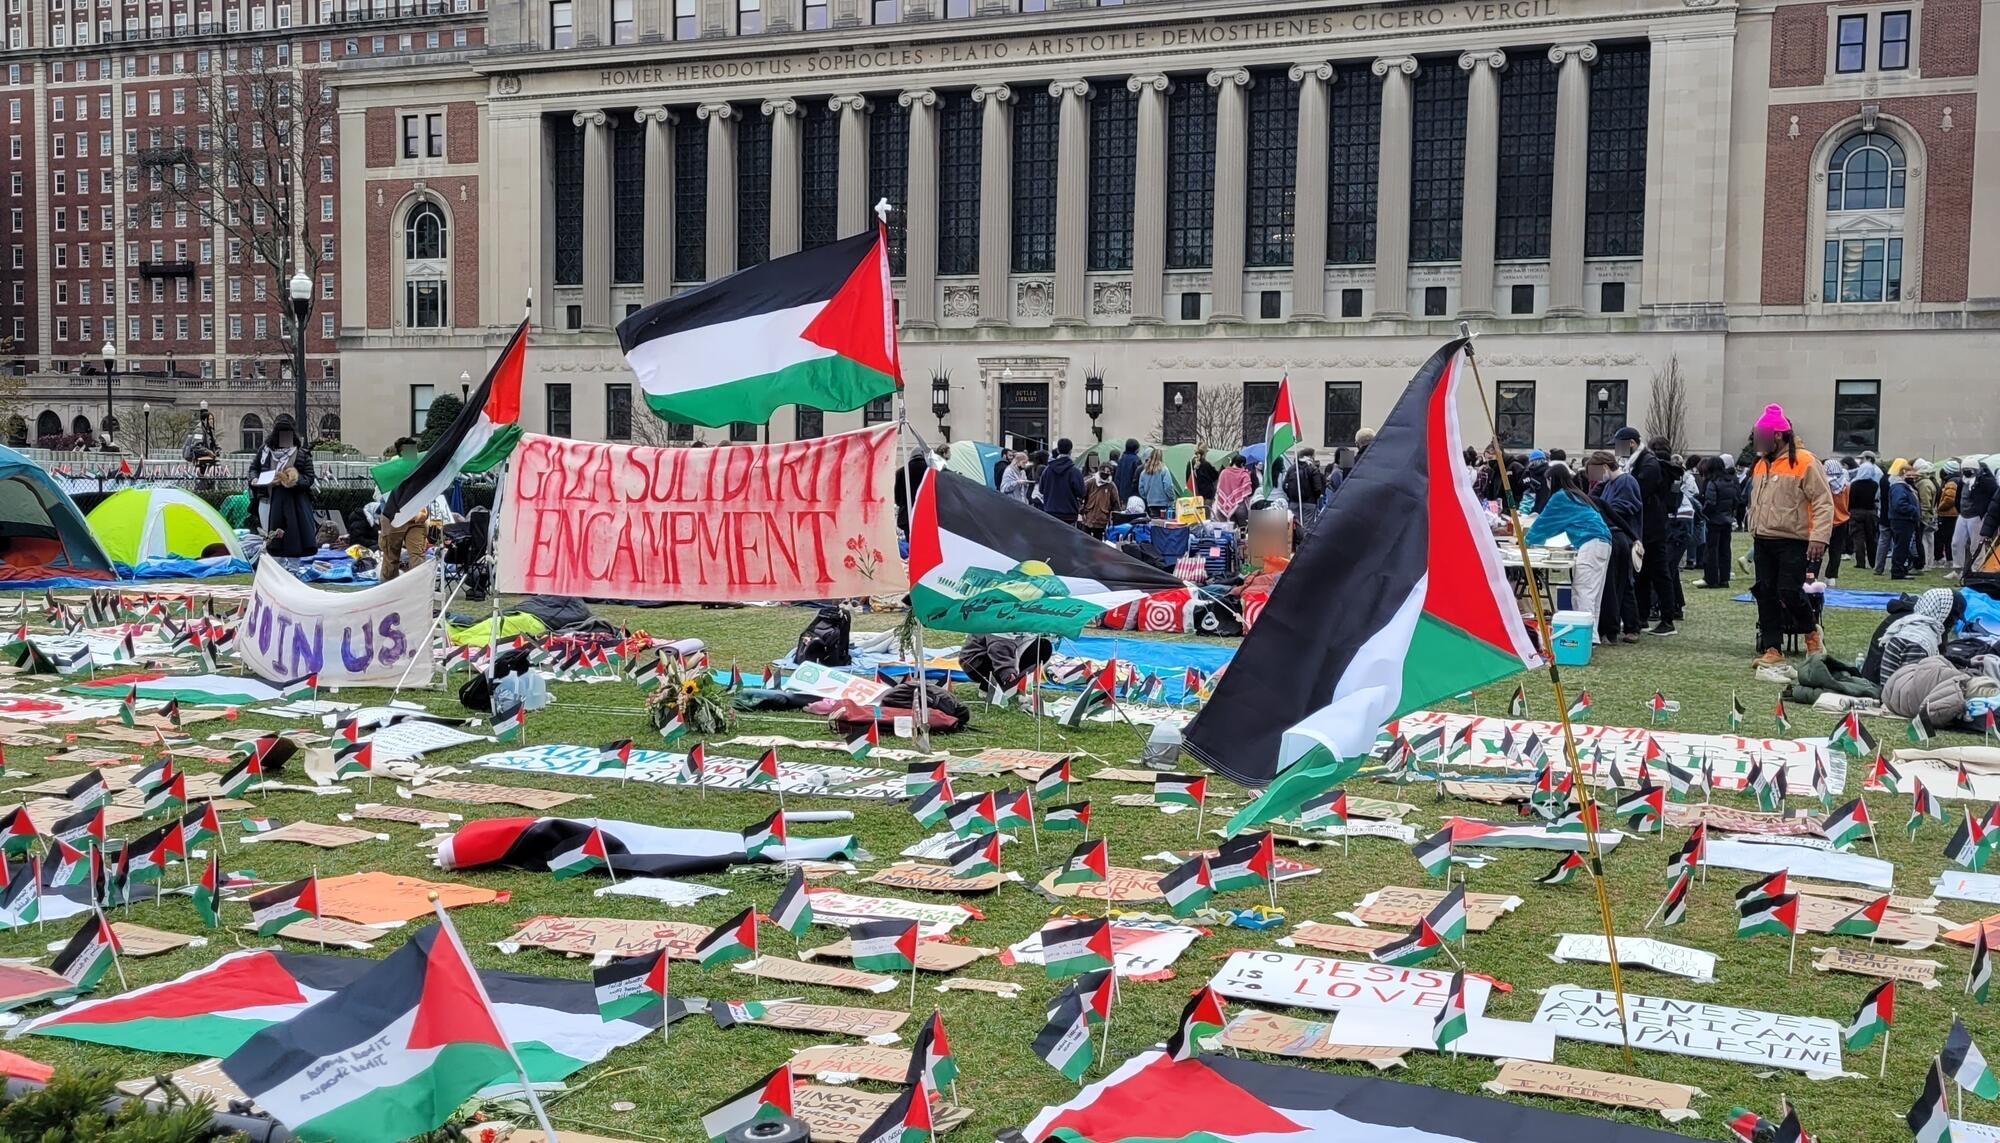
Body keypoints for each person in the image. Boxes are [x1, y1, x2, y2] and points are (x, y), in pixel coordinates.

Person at [1745, 403, 1834, 666]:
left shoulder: (1806, 462)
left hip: (1793, 539)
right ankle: (1773, 648)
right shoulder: (1761, 464)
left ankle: (1811, 634)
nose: (1757, 441)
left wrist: (1819, 537)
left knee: (1789, 591)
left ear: (1778, 436)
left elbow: (1822, 501)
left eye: (1761, 435)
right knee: (1765, 591)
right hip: (1763, 538)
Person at [1526, 462, 1611, 641]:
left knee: (1583, 591)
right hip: (1602, 542)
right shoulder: (1576, 495)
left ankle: (1587, 637)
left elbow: (1544, 524)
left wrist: (1525, 541)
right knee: (1594, 593)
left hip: (1591, 542)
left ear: (1552, 480)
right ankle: (1591, 635)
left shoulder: (1560, 497)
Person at [1614, 427, 1678, 635]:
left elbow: (1638, 491)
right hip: (1643, 525)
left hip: (1652, 526)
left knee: (1659, 572)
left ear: (1631, 443)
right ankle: (1640, 617)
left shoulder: (1648, 464)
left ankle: (1667, 618)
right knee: (1640, 572)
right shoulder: (1637, 462)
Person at [1584, 450, 1643, 643]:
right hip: (1617, 535)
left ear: (1604, 468)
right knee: (1621, 584)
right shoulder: (1610, 483)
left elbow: (1625, 507)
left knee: (1623, 583)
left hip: (1622, 537)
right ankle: (1625, 626)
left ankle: (1630, 626)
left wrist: (1602, 509)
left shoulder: (1626, 482)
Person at [247, 415, 317, 559]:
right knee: (271, 536)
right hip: (267, 499)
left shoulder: (301, 454)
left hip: (293, 503)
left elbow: (309, 478)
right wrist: (255, 479)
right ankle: (276, 565)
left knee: (293, 535)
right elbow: (253, 468)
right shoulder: (264, 452)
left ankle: (291, 567)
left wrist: (294, 480)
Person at [376, 436, 431, 582]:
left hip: (417, 518)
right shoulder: (391, 471)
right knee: (391, 557)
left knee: (417, 554)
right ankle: (388, 589)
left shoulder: (421, 468)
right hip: (394, 519)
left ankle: (419, 586)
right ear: (401, 453)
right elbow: (382, 494)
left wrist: (421, 513)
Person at [1697, 455, 1740, 588]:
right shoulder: (1730, 481)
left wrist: (1703, 512)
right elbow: (1735, 501)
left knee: (1711, 550)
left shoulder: (1712, 483)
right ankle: (1724, 578)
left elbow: (1710, 502)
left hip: (1715, 520)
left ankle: (1712, 578)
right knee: (1725, 550)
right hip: (1727, 520)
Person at [1959, 460, 1996, 577]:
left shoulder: (1986, 482)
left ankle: (1976, 569)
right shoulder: (1964, 481)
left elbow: (1994, 500)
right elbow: (1959, 497)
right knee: (1960, 543)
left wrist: (1983, 513)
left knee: (1976, 544)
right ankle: (1964, 569)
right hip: (1965, 515)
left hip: (1977, 516)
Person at [1037, 438, 1085, 526]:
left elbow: (1041, 489)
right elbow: (1081, 492)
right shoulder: (1074, 471)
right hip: (1069, 513)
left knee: (1052, 539)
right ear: (1070, 451)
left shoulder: (1047, 470)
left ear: (1058, 450)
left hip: (1051, 512)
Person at [1847, 452, 1881, 571]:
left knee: (1858, 538)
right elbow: (1877, 498)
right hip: (1871, 512)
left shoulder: (1855, 484)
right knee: (1871, 537)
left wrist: (1849, 510)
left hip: (1856, 512)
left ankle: (1860, 562)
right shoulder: (1874, 485)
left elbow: (1850, 500)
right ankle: (1873, 562)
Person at [1887, 464, 1921, 579]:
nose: (1913, 478)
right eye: (1910, 475)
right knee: (1901, 547)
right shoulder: (1899, 487)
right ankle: (1898, 571)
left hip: (1904, 520)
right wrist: (1913, 509)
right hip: (1902, 521)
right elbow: (1899, 504)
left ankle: (1901, 569)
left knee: (1903, 546)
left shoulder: (1902, 487)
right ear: (1903, 473)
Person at [1822, 457, 1851, 585]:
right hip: (1842, 520)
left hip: (1825, 521)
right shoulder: (1846, 485)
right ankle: (1831, 577)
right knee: (1836, 551)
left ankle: (1812, 576)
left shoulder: (1824, 485)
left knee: (1817, 552)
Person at [1079, 465, 1119, 538]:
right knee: (1084, 540)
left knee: (1098, 543)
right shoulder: (1090, 482)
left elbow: (1116, 503)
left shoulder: (1111, 486)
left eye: (1107, 473)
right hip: (1088, 518)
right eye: (1103, 472)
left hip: (1102, 520)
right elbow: (1080, 496)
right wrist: (1081, 510)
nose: (1105, 475)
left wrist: (1114, 519)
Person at [1936, 460, 1961, 570]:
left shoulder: (1951, 483)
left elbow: (1949, 499)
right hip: (1953, 514)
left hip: (1948, 515)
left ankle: (1950, 560)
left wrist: (1940, 507)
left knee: (1947, 539)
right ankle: (1951, 560)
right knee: (1950, 538)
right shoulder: (1957, 480)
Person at [1213, 454, 1253, 520]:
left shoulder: (1224, 472)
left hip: (1223, 507)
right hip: (1240, 505)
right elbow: (1248, 491)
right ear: (1242, 464)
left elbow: (1219, 489)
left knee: (1227, 528)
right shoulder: (1244, 474)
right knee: (1243, 528)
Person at [1138, 450, 1175, 517]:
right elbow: (1168, 486)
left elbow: (1141, 489)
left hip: (1151, 503)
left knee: (1154, 522)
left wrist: (1147, 497)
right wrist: (1172, 497)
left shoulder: (1144, 472)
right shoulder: (1164, 470)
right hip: (1164, 503)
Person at [1113, 438, 1142, 505]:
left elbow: (1117, 477)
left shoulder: (1121, 459)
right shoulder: (1136, 460)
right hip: (1133, 494)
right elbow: (1138, 478)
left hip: (1121, 493)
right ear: (1136, 448)